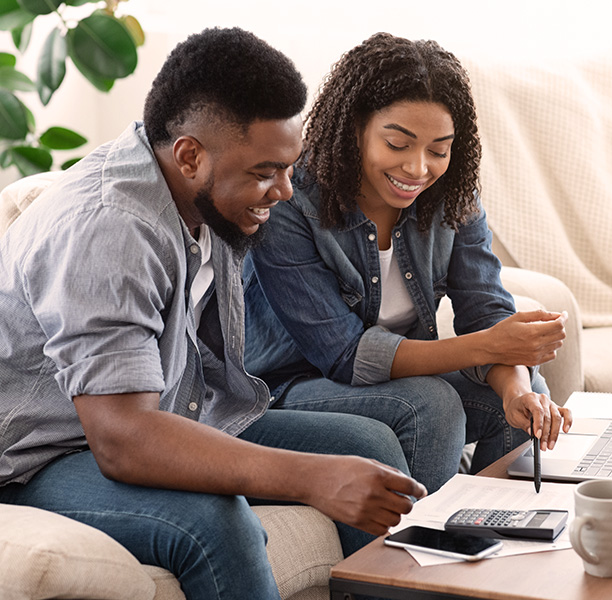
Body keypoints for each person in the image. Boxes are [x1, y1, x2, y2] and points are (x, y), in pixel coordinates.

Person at [0, 27, 426, 599]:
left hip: (168, 409)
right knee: (214, 523)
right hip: (41, 456)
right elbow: (124, 437)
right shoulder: (110, 229)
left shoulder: (206, 197)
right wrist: (312, 477)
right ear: (190, 155)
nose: (283, 190)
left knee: (370, 447)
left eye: (287, 168)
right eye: (264, 171)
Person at [243, 32, 573, 494]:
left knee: (521, 395)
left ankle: (497, 539)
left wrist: (518, 387)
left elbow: (485, 310)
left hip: (385, 382)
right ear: (355, 126)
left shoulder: (452, 197)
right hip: (288, 387)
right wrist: (492, 346)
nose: (418, 169)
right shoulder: (292, 200)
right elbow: (343, 355)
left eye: (438, 150)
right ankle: (422, 557)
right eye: (398, 144)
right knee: (431, 405)